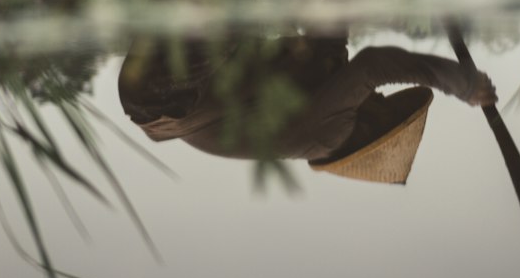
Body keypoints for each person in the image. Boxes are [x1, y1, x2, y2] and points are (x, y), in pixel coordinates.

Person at [117, 32, 497, 185]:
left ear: (365, 133)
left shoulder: (327, 137)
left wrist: (461, 83)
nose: (379, 98)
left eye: (382, 110)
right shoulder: (325, 73)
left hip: (166, 95)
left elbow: (374, 67)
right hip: (168, 85)